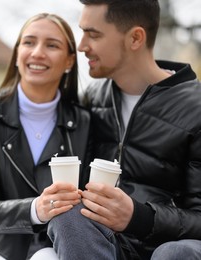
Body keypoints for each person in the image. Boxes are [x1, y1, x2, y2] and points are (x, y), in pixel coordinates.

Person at [47, 0, 201, 259]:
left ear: (135, 38)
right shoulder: (91, 101)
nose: (82, 45)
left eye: (93, 34)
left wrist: (138, 217)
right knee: (68, 218)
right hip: (105, 245)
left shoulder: (196, 108)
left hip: (174, 246)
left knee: (175, 254)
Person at [0, 13, 91, 260]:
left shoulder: (84, 122)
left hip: (50, 244)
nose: (37, 53)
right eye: (29, 42)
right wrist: (37, 208)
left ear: (69, 61)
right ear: (17, 54)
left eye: (52, 45)